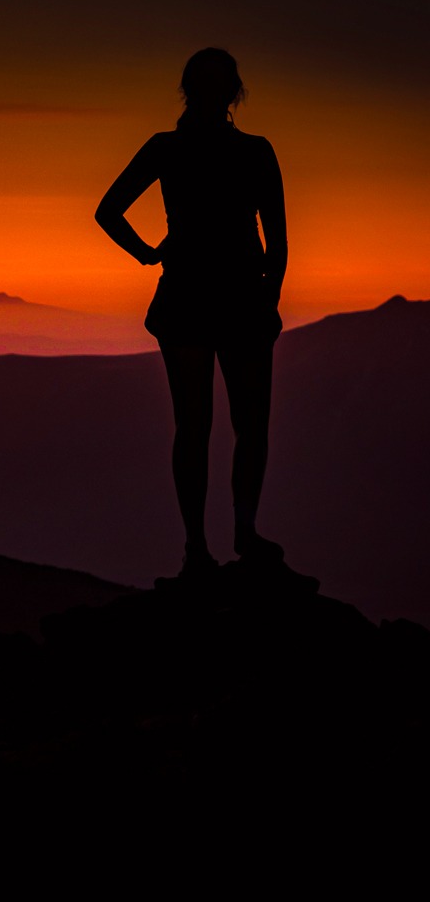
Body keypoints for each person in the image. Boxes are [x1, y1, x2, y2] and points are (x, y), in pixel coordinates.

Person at [94, 48, 287, 577]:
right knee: (250, 424)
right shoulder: (255, 151)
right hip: (243, 296)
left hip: (184, 297)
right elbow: (279, 242)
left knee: (192, 426)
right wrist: (268, 302)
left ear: (186, 90)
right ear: (234, 93)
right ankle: (243, 534)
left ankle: (196, 549)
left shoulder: (166, 149)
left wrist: (148, 252)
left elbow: (107, 211)